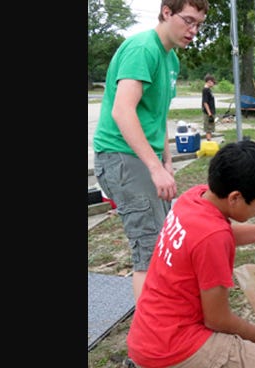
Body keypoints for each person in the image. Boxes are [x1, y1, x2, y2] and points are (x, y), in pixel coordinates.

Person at [126, 140, 255, 368]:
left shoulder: (194, 198)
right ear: (235, 197)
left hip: (147, 337)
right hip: (175, 347)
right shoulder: (212, 238)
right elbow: (217, 319)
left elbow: (221, 236)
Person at [93, 0, 210, 303]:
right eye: (188, 21)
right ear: (166, 12)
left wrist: (166, 160)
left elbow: (158, 116)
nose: (193, 31)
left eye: (199, 24)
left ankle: (166, 316)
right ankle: (147, 346)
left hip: (146, 157)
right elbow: (122, 111)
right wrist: (155, 167)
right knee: (149, 247)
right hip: (121, 156)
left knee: (165, 239)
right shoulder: (142, 49)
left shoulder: (171, 59)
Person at [201, 73, 217, 141]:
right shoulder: (205, 90)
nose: (214, 84)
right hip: (208, 113)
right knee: (208, 129)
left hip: (211, 111)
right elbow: (205, 103)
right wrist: (209, 113)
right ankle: (209, 142)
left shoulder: (209, 90)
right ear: (209, 81)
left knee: (211, 128)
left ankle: (210, 141)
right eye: (213, 82)